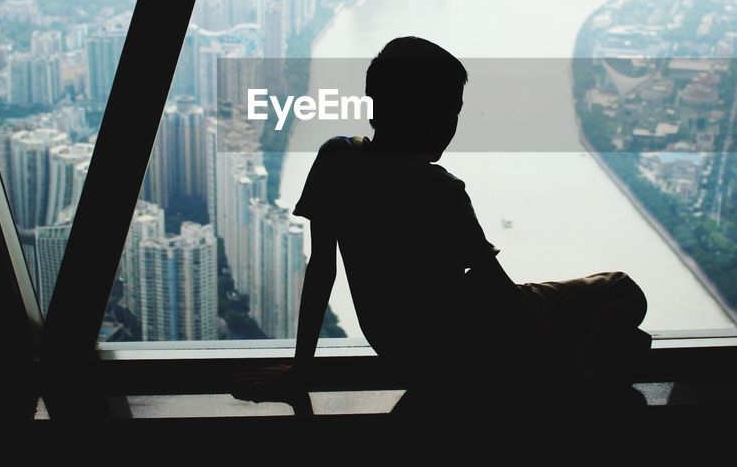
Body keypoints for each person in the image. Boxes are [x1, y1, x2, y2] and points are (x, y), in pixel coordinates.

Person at [234, 36, 650, 419]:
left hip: (404, 356)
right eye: (448, 112)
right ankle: (564, 379)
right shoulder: (441, 190)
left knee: (626, 343)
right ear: (424, 115)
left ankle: (568, 367)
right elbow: (503, 296)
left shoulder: (335, 158)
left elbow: (323, 269)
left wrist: (301, 367)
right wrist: (582, 387)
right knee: (622, 291)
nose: (451, 126)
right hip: (469, 345)